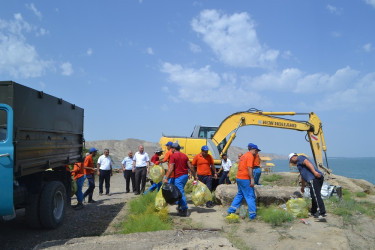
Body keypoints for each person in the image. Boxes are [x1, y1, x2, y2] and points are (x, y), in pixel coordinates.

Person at [227, 143, 261, 220]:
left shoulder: (243, 156)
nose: (257, 153)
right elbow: (249, 168)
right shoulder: (250, 156)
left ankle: (231, 210)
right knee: (250, 196)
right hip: (245, 179)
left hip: (239, 178)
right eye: (257, 152)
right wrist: (252, 179)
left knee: (240, 194)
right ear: (255, 150)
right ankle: (252, 215)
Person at [289, 153, 327, 219]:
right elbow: (303, 176)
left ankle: (322, 213)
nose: (292, 162)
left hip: (314, 178)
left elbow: (307, 163)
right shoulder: (299, 164)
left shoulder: (300, 158)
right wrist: (302, 187)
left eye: (291, 161)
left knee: (316, 195)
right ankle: (313, 211)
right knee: (313, 195)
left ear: (292, 157)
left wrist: (314, 173)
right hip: (314, 179)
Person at [163, 143, 196, 217]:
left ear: (174, 149)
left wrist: (166, 179)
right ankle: (180, 206)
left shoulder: (173, 156)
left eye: (172, 148)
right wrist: (195, 176)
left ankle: (184, 209)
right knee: (178, 192)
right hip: (185, 176)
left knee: (180, 193)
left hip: (179, 177)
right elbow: (190, 166)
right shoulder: (185, 155)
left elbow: (171, 168)